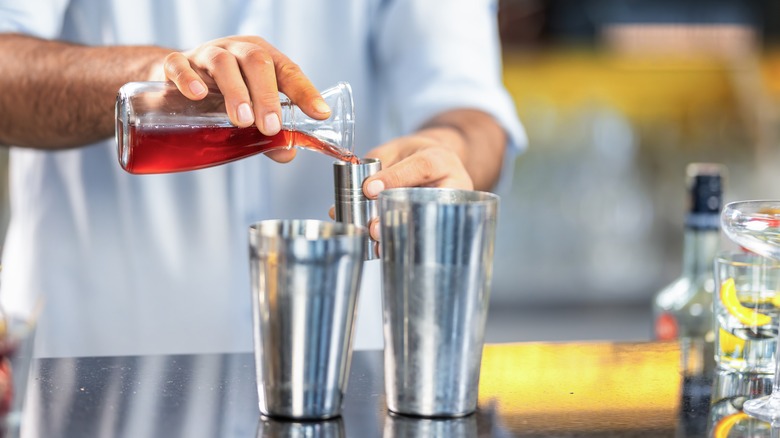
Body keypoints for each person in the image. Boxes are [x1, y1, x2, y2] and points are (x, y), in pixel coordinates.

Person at [0, 1, 526, 358]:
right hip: (89, 361)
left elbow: (472, 112)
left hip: (340, 367)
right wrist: (155, 83)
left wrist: (445, 153)